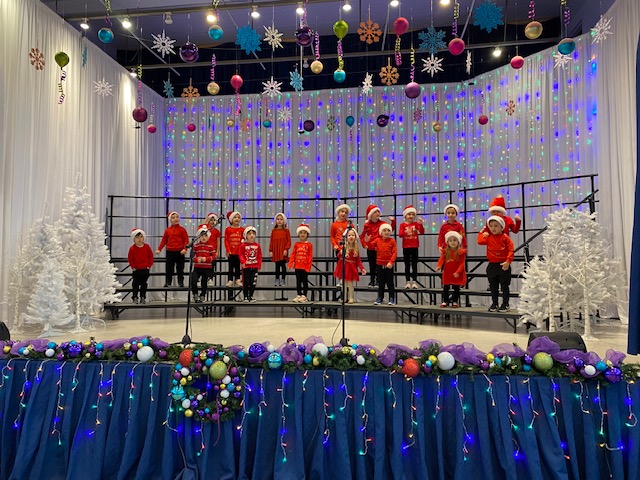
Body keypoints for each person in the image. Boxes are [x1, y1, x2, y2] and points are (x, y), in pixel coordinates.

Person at [478, 215, 515, 312]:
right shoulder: (488, 237)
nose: (493, 228)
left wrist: (508, 261)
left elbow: (511, 250)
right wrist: (481, 232)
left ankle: (505, 303)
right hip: (492, 265)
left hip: (503, 265)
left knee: (504, 286)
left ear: (502, 227)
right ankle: (494, 303)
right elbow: (480, 241)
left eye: (496, 226)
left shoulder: (505, 238)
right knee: (493, 287)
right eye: (491, 226)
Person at [360, 204, 395, 288]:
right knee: (372, 266)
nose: (377, 213)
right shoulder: (367, 225)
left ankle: (379, 281)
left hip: (380, 249)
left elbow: (390, 229)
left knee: (379, 266)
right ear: (371, 214)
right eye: (375, 212)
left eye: (378, 211)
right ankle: (372, 280)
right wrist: (364, 244)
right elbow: (362, 236)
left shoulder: (382, 224)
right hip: (371, 248)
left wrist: (393, 222)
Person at [156, 211, 189, 287]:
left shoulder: (182, 230)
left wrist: (185, 249)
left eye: (177, 217)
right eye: (173, 218)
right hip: (170, 252)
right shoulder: (167, 230)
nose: (175, 219)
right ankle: (168, 282)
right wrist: (159, 249)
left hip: (180, 252)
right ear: (170, 220)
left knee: (180, 268)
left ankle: (180, 282)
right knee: (169, 268)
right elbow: (164, 241)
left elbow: (186, 240)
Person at [334, 229, 366, 304]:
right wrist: (340, 252)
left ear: (355, 237)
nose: (351, 237)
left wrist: (362, 269)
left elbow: (358, 260)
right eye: (349, 235)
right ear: (346, 237)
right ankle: (344, 298)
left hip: (351, 268)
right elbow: (339, 256)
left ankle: (351, 297)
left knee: (350, 284)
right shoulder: (344, 247)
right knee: (344, 284)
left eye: (352, 235)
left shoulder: (356, 248)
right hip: (344, 267)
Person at [436, 231, 467, 308]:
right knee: (446, 287)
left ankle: (455, 301)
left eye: (454, 240)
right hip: (447, 272)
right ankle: (445, 301)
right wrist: (439, 266)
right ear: (448, 242)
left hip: (456, 272)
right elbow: (441, 259)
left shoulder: (461, 252)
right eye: (450, 240)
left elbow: (462, 264)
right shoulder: (445, 252)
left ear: (458, 242)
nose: (453, 242)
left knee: (456, 287)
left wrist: (458, 272)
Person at [398, 205, 424, 289]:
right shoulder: (402, 225)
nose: (411, 216)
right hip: (406, 247)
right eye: (409, 214)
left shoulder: (416, 224)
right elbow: (400, 235)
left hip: (414, 246)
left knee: (414, 264)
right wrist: (406, 232)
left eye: (413, 214)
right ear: (405, 215)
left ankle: (414, 281)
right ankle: (408, 281)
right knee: (407, 265)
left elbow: (422, 232)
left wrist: (420, 224)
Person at [373, 223, 397, 305]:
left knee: (390, 282)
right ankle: (380, 297)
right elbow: (370, 245)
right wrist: (366, 240)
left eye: (388, 230)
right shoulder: (377, 240)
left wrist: (391, 262)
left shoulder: (392, 241)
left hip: (388, 265)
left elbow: (394, 253)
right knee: (381, 282)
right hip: (379, 264)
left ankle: (391, 298)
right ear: (381, 232)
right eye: (384, 230)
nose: (386, 232)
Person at [288, 224, 313, 303]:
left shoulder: (309, 245)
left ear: (307, 234)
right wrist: (290, 263)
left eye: (304, 233)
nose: (302, 234)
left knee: (304, 281)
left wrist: (308, 267)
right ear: (298, 234)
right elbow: (293, 254)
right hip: (297, 266)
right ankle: (298, 294)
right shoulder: (296, 244)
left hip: (304, 267)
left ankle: (304, 295)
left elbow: (310, 256)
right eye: (301, 233)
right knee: (298, 281)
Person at [128, 228, 154, 304]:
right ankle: (135, 297)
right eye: (137, 237)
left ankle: (143, 297)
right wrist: (133, 267)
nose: (139, 239)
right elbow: (130, 259)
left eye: (141, 237)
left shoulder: (147, 247)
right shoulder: (132, 248)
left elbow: (151, 257)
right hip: (136, 269)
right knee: (135, 284)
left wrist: (149, 266)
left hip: (145, 269)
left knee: (144, 284)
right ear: (134, 239)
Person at [191, 227, 215, 302]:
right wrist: (196, 259)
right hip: (197, 267)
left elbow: (213, 257)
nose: (203, 238)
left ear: (208, 237)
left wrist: (206, 259)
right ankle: (195, 294)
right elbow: (192, 257)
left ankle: (203, 295)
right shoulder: (196, 246)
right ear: (199, 237)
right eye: (202, 236)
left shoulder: (211, 246)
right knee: (193, 280)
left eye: (205, 236)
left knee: (204, 282)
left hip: (206, 268)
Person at [239, 226, 262, 302]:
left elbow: (259, 255)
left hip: (254, 266)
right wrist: (243, 262)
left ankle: (251, 296)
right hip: (246, 267)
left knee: (253, 282)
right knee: (246, 282)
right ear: (246, 236)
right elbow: (241, 255)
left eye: (253, 234)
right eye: (249, 234)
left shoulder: (257, 246)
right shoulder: (243, 246)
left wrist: (259, 265)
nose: (251, 235)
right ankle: (245, 296)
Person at [198, 212, 221, 287]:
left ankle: (210, 278)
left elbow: (218, 242)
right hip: (204, 250)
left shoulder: (217, 231)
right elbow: (199, 229)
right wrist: (205, 222)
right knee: (202, 265)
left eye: (214, 220)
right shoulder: (205, 230)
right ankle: (200, 279)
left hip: (212, 251)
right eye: (211, 220)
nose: (212, 222)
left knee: (212, 265)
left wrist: (217, 252)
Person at [269, 213, 292, 286]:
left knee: (283, 266)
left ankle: (283, 279)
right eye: (278, 219)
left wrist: (286, 249)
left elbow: (289, 241)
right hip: (276, 251)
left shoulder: (286, 231)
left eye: (281, 219)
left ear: (284, 221)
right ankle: (277, 279)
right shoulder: (273, 231)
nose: (279, 221)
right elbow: (271, 241)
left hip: (283, 251)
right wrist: (271, 250)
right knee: (277, 266)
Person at [224, 211, 244, 287]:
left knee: (238, 267)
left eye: (238, 217)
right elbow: (226, 240)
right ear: (231, 219)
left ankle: (238, 279)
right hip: (231, 252)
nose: (237, 219)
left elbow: (243, 240)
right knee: (231, 267)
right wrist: (228, 250)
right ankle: (230, 280)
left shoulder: (242, 229)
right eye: (235, 217)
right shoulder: (228, 229)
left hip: (239, 252)